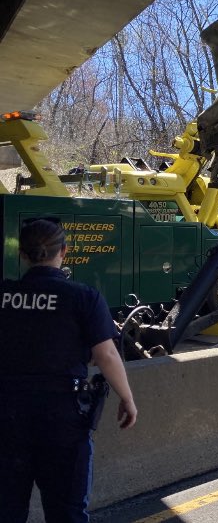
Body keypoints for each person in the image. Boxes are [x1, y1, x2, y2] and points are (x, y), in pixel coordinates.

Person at [0, 217, 138, 522]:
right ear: (64, 250)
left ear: (22, 254)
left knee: (6, 509)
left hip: (7, 417)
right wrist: (127, 399)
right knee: (67, 512)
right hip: (62, 419)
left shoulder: (5, 295)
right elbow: (107, 355)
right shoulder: (83, 297)